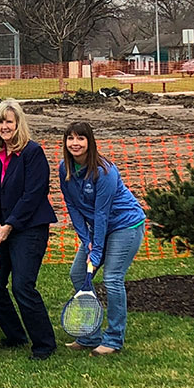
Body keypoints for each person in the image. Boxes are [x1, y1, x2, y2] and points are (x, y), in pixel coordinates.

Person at [59, 122, 145, 357]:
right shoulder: (64, 169)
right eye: (70, 138)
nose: (75, 143)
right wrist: (85, 238)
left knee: (112, 278)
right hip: (99, 227)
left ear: (90, 142)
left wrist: (96, 251)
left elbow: (101, 213)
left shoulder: (104, 171)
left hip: (125, 225)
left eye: (81, 138)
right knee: (78, 274)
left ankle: (114, 339)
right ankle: (90, 335)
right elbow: (72, 206)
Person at [0, 99, 57, 360]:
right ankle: (15, 335)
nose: (4, 127)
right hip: (2, 229)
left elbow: (33, 194)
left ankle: (44, 344)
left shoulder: (32, 152)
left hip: (29, 229)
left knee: (23, 286)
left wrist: (10, 224)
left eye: (9, 122)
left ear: (18, 124)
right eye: (0, 122)